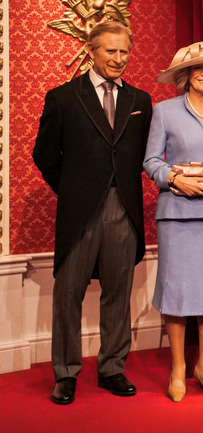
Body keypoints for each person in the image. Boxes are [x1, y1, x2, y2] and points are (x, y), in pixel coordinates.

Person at [32, 21, 152, 405]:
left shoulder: (140, 100)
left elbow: (143, 156)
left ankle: (112, 368)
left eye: (124, 52)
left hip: (125, 210)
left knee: (118, 294)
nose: (119, 59)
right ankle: (65, 373)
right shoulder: (64, 97)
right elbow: (45, 155)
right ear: (91, 51)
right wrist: (73, 191)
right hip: (79, 212)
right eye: (110, 51)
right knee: (67, 295)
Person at [143, 38, 203, 401]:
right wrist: (175, 178)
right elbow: (151, 161)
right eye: (198, 68)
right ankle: (178, 370)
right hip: (178, 214)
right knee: (178, 291)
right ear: (185, 75)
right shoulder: (165, 111)